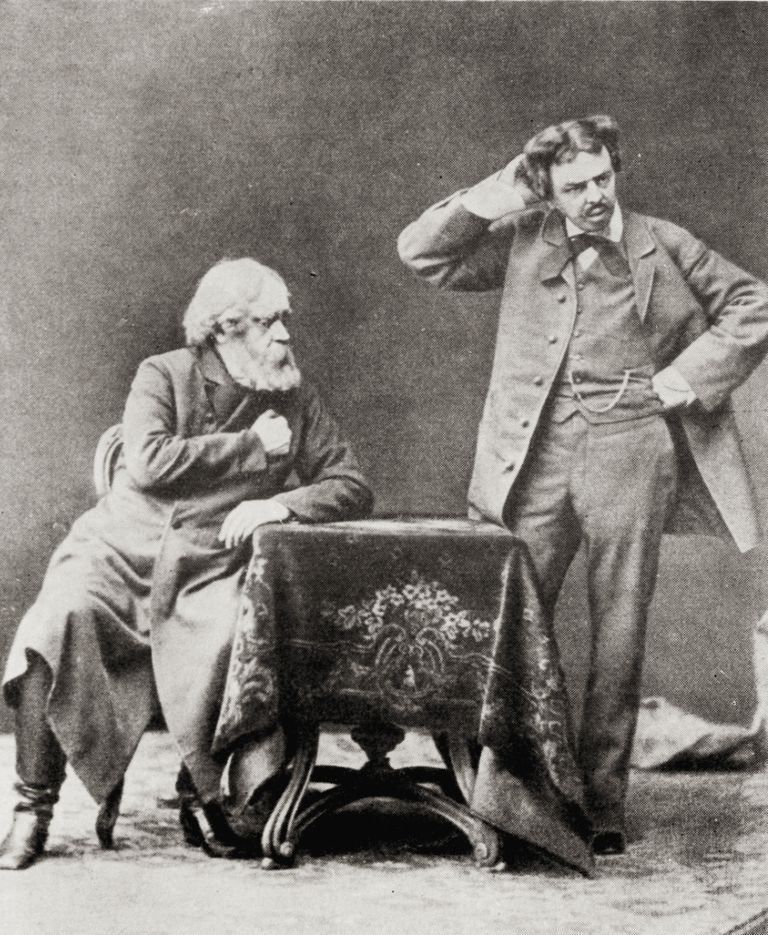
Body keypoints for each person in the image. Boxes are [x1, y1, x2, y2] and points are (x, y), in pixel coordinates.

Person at [398, 115, 768, 855]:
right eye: (574, 187)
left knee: (620, 628)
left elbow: (754, 304)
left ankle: (602, 805)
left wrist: (681, 380)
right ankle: (516, 791)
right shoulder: (524, 237)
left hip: (631, 450)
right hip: (535, 454)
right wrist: (501, 193)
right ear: (549, 189)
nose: (594, 196)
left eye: (602, 178)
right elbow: (423, 253)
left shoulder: (664, 242)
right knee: (513, 617)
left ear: (616, 170)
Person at [0, 258, 373, 869]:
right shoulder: (163, 374)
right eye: (268, 322)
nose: (285, 334)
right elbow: (149, 461)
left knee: (235, 633)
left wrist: (279, 505)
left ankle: (207, 797)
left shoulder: (294, 394)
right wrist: (252, 446)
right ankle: (31, 810)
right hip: (119, 551)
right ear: (224, 328)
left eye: (285, 320)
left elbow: (350, 483)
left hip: (208, 563)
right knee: (54, 622)